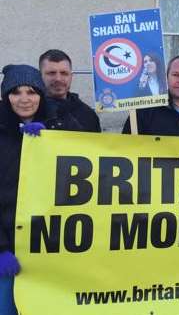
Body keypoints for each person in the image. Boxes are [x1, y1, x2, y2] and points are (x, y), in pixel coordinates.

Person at [0, 64, 78, 315]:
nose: (24, 100)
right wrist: (1, 249)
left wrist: (54, 136)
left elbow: (90, 154)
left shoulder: (60, 123)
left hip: (51, 246)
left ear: (41, 96)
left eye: (32, 92)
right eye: (16, 92)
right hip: (10, 250)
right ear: (6, 97)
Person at [38, 49, 101, 132]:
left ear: (71, 76)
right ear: (39, 75)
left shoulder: (88, 115)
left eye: (64, 73)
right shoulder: (29, 111)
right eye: (51, 73)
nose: (58, 79)